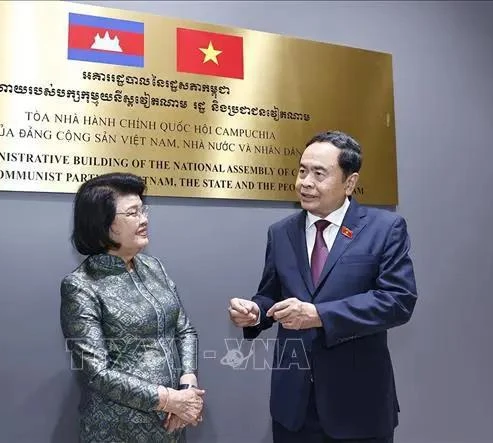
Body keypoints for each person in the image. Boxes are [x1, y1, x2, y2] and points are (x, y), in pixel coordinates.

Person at [228, 130, 417, 443]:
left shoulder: (384, 229)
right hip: (293, 409)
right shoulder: (281, 232)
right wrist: (255, 312)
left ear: (349, 182)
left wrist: (318, 314)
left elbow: (398, 301)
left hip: (358, 408)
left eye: (319, 173)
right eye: (302, 171)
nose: (305, 182)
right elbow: (270, 294)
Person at [60, 172, 204, 443]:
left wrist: (187, 387)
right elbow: (97, 373)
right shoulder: (81, 286)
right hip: (118, 431)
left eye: (143, 209)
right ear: (104, 224)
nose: (145, 219)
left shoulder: (154, 267)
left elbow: (184, 330)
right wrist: (169, 399)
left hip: (170, 425)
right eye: (133, 213)